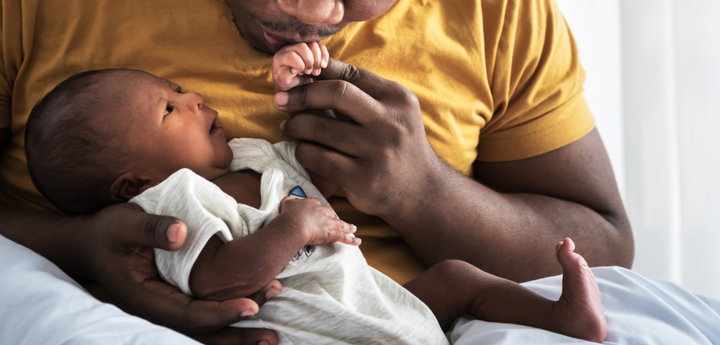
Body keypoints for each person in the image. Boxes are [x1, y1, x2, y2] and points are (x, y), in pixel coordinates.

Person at [0, 0, 633, 343]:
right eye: (172, 103)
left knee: (460, 281)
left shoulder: (503, 17)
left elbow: (604, 242)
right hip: (296, 321)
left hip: (395, 305)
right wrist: (77, 246)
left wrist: (423, 191)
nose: (310, 8)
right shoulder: (179, 199)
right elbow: (225, 271)